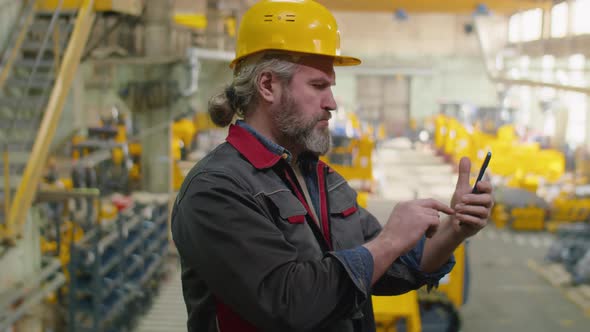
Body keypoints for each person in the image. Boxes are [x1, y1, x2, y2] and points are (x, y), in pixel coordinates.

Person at [171, 1, 493, 331]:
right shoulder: (216, 189)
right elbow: (289, 303)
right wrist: (388, 241)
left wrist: (455, 229)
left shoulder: (322, 180)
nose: (332, 103)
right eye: (318, 86)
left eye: (331, 87)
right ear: (267, 85)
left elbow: (388, 268)